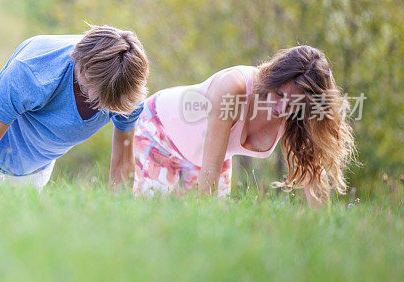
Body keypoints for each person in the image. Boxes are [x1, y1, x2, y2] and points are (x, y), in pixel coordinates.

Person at [132, 45, 356, 207]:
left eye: (295, 102)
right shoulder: (234, 87)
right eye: (278, 95)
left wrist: (325, 232)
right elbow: (211, 167)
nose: (282, 107)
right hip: (159, 129)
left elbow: (313, 178)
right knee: (155, 214)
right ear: (272, 80)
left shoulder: (297, 116)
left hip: (202, 155)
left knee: (214, 229)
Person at [0, 26, 149, 189]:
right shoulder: (34, 70)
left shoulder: (127, 92)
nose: (106, 108)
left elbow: (123, 162)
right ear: (82, 71)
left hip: (33, 166)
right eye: (100, 99)